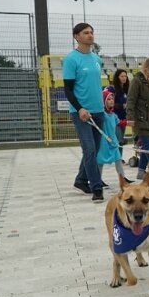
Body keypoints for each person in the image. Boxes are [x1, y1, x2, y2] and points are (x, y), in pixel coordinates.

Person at [63, 22, 105, 203]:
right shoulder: (71, 59)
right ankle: (96, 187)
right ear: (76, 36)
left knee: (94, 151)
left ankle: (81, 180)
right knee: (89, 149)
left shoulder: (96, 58)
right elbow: (68, 89)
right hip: (81, 112)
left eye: (91, 32)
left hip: (99, 111)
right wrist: (79, 108)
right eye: (86, 33)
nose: (90, 35)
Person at [98, 88, 131, 184]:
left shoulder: (113, 115)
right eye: (108, 99)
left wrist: (129, 122)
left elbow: (119, 122)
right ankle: (97, 180)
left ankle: (123, 179)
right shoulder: (101, 115)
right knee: (100, 162)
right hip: (103, 142)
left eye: (112, 98)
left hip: (113, 141)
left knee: (118, 159)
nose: (111, 100)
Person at [111, 68, 129, 159]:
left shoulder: (126, 89)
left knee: (120, 139)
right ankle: (117, 158)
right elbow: (110, 102)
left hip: (123, 119)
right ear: (117, 77)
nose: (124, 78)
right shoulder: (112, 88)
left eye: (125, 76)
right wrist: (122, 106)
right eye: (122, 76)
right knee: (119, 139)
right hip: (115, 119)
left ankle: (119, 157)